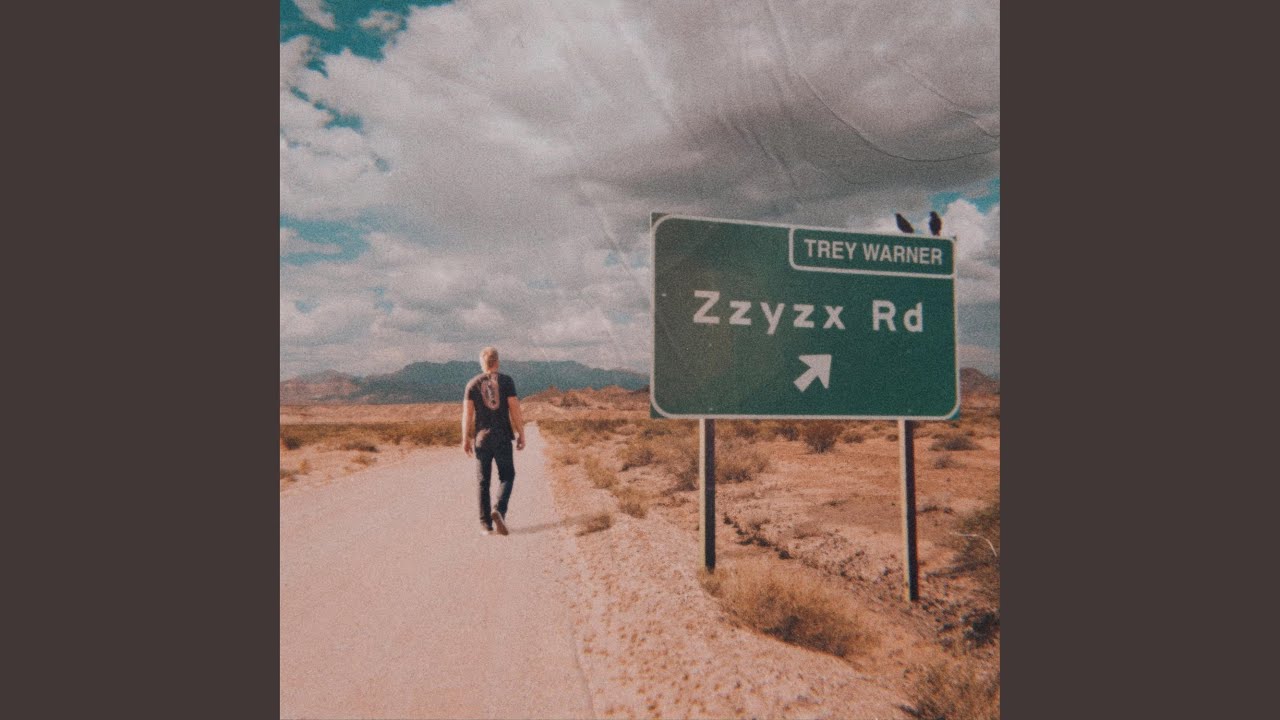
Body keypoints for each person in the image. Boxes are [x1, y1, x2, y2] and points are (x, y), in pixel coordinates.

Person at [461, 346, 526, 535]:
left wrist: (465, 438)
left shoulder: (472, 384)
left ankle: (486, 525)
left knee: (483, 481)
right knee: (507, 476)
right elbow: (514, 409)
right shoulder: (506, 381)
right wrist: (521, 433)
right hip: (502, 437)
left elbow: (467, 415)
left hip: (482, 439)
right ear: (497, 361)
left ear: (482, 363)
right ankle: (499, 510)